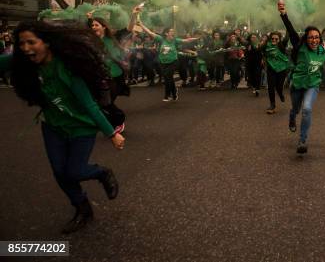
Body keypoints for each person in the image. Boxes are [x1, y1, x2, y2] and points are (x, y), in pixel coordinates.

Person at [1, 21, 125, 234]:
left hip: (81, 128)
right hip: (53, 127)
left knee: (75, 170)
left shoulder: (67, 68)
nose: (25, 48)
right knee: (60, 173)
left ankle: (102, 173)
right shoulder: (26, 62)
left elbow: (90, 105)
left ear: (47, 42)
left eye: (31, 42)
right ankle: (82, 208)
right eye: (21, 43)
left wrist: (112, 134)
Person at [278, 0, 325, 154]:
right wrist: (283, 14)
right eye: (311, 37)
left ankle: (302, 140)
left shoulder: (323, 51)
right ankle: (292, 116)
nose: (314, 40)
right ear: (306, 39)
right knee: (296, 108)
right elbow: (291, 29)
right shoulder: (300, 47)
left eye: (316, 37)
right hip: (297, 84)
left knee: (306, 109)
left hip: (312, 85)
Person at [139, 23, 199, 101]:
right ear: (166, 33)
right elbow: (150, 33)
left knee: (167, 76)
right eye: (171, 31)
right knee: (168, 78)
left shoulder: (175, 40)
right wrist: (140, 24)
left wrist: (196, 38)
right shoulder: (161, 39)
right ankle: (174, 93)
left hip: (173, 62)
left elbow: (186, 40)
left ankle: (167, 95)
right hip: (163, 62)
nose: (173, 32)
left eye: (173, 31)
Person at [263, 31, 291, 114]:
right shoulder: (267, 45)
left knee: (279, 87)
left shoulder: (281, 46)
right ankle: (272, 105)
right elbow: (259, 49)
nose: (274, 40)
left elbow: (286, 38)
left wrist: (287, 25)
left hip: (281, 70)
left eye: (276, 39)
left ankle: (281, 94)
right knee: (271, 87)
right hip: (271, 69)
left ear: (279, 39)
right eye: (272, 38)